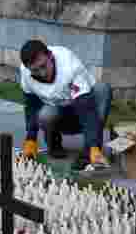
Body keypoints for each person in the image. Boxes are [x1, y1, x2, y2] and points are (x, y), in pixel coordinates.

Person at [17, 39, 113, 171]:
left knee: (103, 89)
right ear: (28, 68)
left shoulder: (70, 66)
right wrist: (31, 139)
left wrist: (93, 145)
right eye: (36, 70)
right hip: (60, 116)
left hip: (87, 111)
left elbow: (86, 110)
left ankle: (89, 153)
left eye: (44, 66)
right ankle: (54, 145)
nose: (42, 73)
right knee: (45, 114)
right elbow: (31, 106)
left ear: (50, 56)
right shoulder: (25, 72)